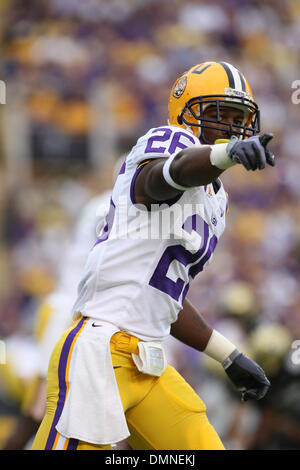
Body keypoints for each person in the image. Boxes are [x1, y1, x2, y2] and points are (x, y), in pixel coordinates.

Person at [32, 61, 273, 451]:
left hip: (150, 362)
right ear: (188, 115)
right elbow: (159, 180)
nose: (231, 127)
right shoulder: (169, 140)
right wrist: (224, 153)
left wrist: (228, 356)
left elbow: (167, 295)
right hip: (100, 351)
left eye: (239, 118)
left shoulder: (218, 201)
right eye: (220, 115)